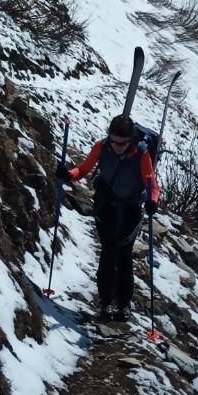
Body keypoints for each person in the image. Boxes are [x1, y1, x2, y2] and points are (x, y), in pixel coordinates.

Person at [62, 114, 159, 322]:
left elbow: (151, 182)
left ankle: (124, 305)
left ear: (130, 139)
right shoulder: (102, 146)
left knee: (123, 255)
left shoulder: (142, 153)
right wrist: (69, 175)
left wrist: (152, 200)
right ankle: (105, 302)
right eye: (113, 141)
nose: (116, 147)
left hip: (131, 209)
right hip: (105, 205)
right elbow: (84, 169)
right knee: (108, 252)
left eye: (121, 143)